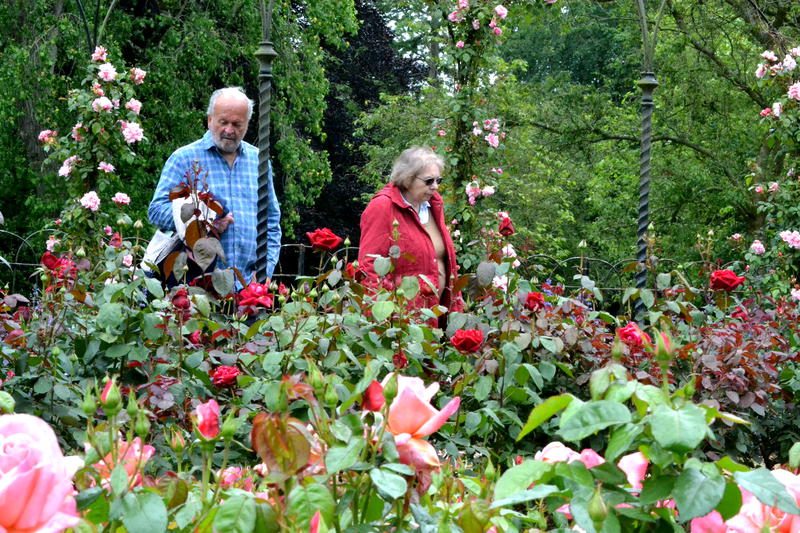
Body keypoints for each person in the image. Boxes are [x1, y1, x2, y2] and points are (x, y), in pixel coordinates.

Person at [148, 87, 281, 284]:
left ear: (247, 124)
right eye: (223, 122)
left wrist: (265, 272)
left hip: (248, 287)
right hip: (196, 287)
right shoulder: (184, 159)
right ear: (210, 119)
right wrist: (204, 216)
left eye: (237, 124)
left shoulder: (259, 161)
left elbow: (271, 222)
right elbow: (157, 210)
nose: (229, 130)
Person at [359, 146, 462, 314]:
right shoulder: (383, 207)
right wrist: (379, 318)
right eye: (429, 181)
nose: (435, 186)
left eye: (438, 180)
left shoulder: (432, 205)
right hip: (404, 317)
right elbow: (369, 267)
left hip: (438, 312)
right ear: (407, 178)